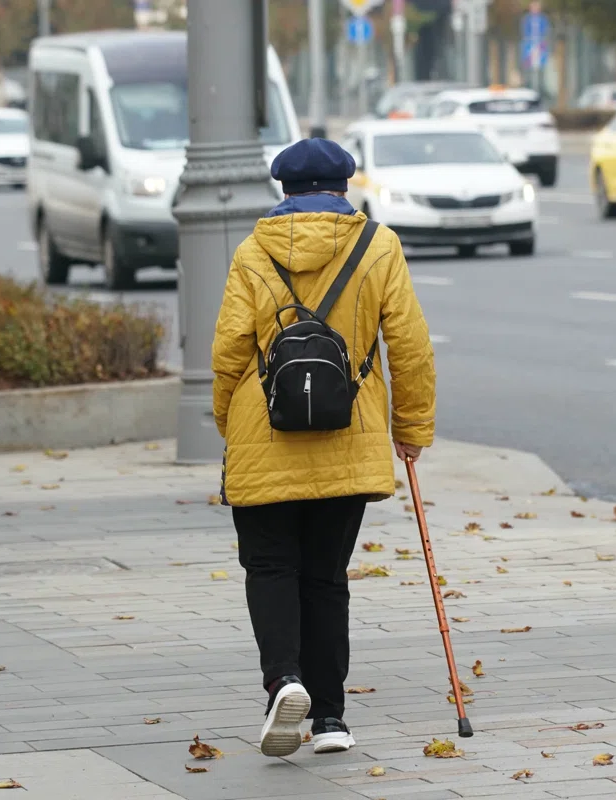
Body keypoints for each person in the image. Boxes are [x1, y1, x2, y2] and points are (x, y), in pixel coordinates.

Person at [211, 138, 436, 758]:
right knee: (326, 576)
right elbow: (410, 346)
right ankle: (331, 719)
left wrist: (230, 423)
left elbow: (230, 349)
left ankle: (284, 681)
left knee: (270, 567)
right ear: (344, 186)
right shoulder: (379, 246)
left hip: (266, 431)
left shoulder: (254, 250)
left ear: (283, 189)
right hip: (350, 434)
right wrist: (411, 429)